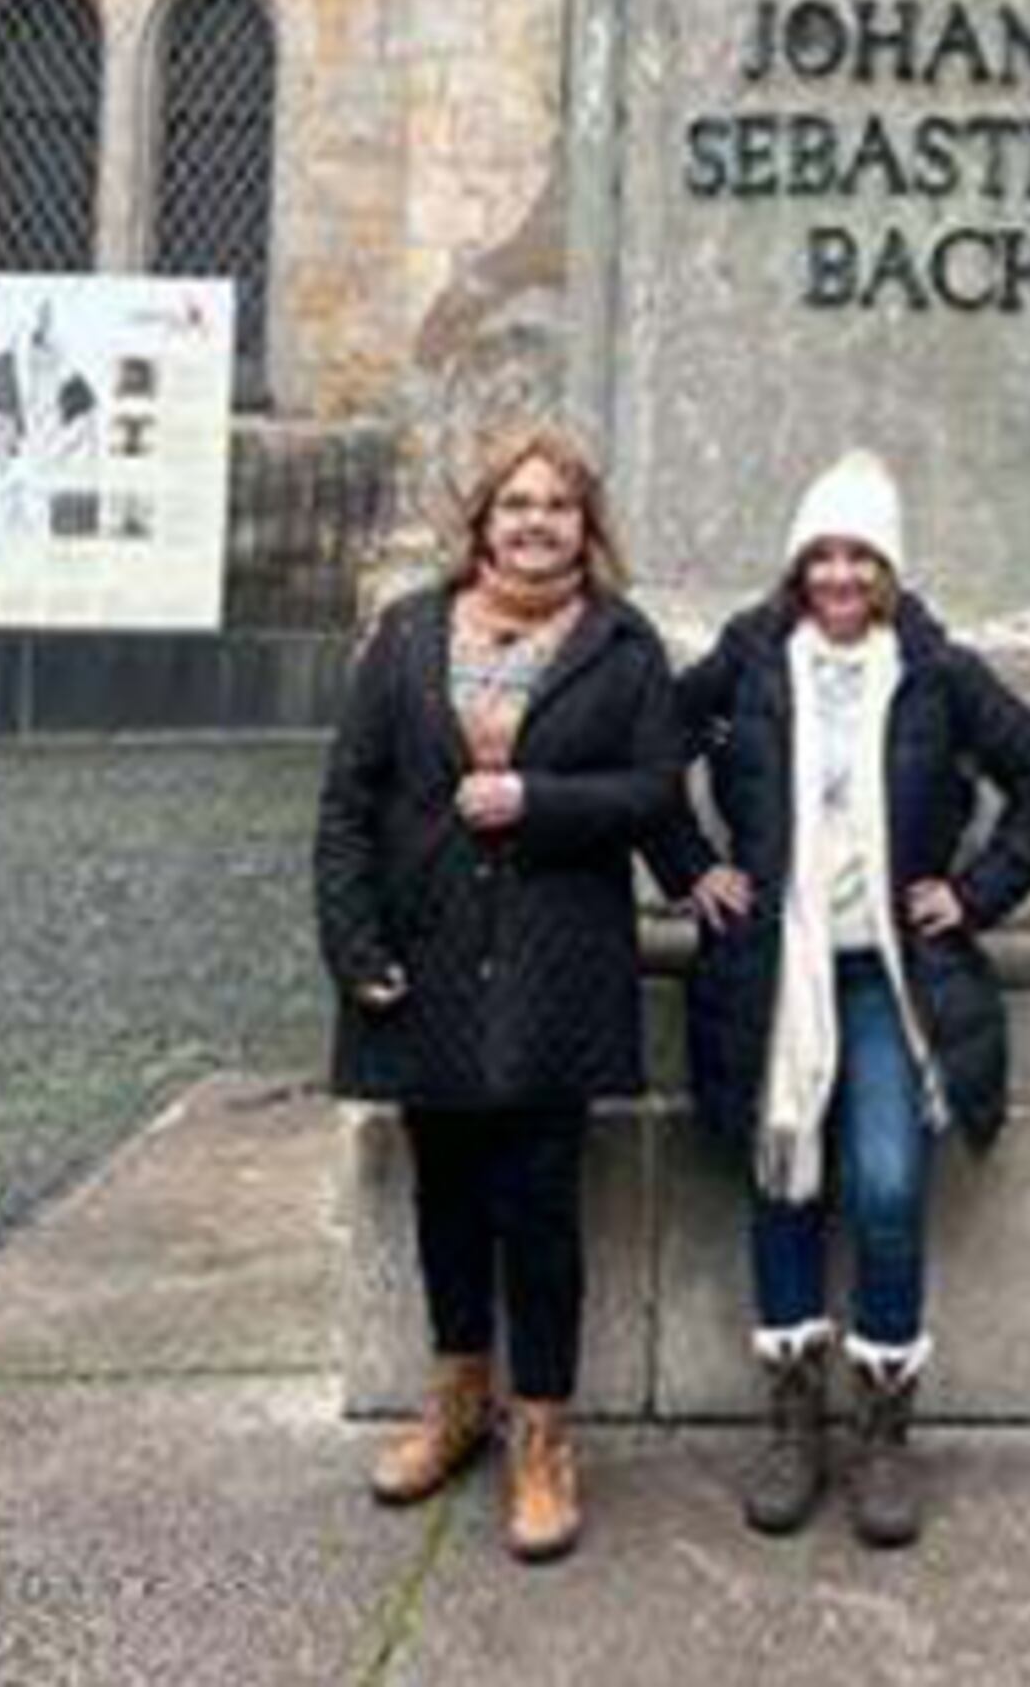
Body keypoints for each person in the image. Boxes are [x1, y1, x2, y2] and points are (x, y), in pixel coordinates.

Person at [648, 451, 1030, 1547]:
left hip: (887, 975)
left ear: (887, 570)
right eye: (822, 555)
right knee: (783, 1176)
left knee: (888, 1185)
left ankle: (885, 1434)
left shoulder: (936, 673)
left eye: (860, 556)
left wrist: (973, 893)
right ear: (799, 566)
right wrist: (692, 865)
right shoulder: (750, 661)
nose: (839, 575)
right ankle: (794, 1427)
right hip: (775, 971)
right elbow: (650, 751)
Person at [313, 430, 685, 1562]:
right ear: (482, 521)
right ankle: (457, 1400)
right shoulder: (408, 634)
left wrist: (537, 799)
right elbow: (349, 804)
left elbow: (653, 790)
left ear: (586, 526)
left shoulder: (623, 644)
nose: (536, 523)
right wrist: (354, 944)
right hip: (426, 961)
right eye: (517, 504)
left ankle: (543, 1437)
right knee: (448, 1198)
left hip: (554, 965)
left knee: (540, 1206)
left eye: (558, 506)